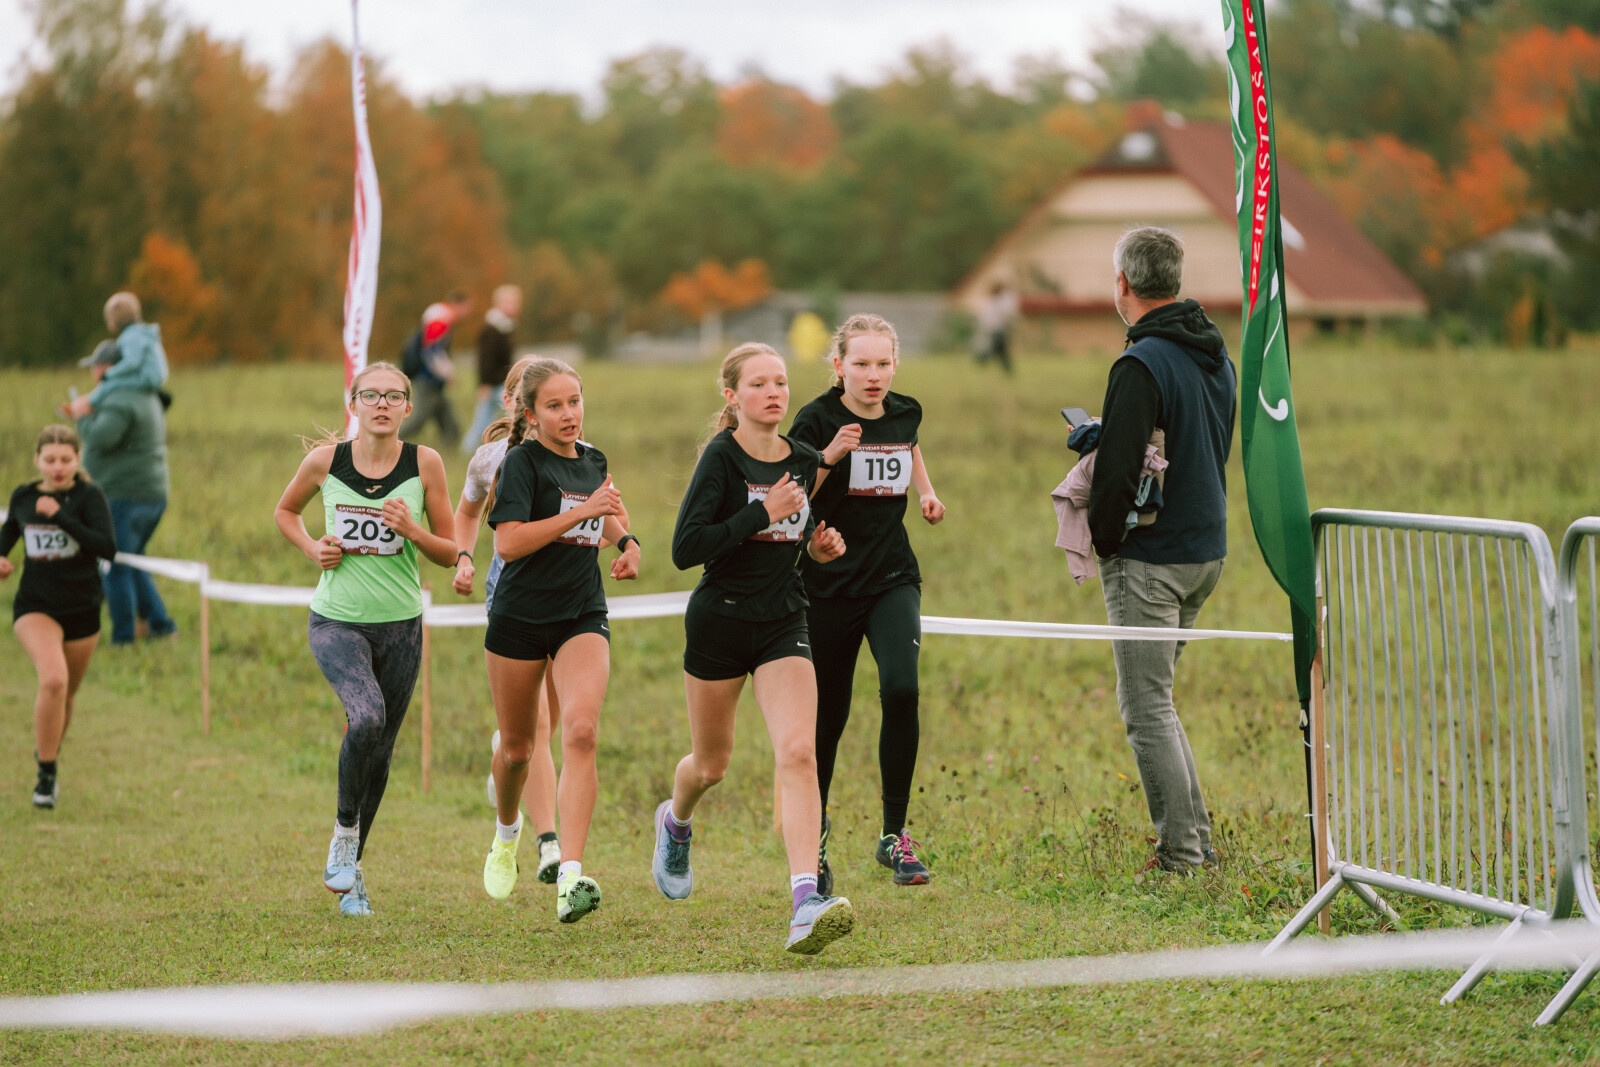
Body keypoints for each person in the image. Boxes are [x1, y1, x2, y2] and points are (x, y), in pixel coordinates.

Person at [655, 342, 855, 955]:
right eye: (760, 384)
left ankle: (804, 902)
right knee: (710, 766)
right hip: (719, 622)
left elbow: (789, 534)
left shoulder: (801, 457)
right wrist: (762, 511)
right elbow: (688, 548)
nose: (774, 393)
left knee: (798, 753)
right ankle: (675, 821)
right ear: (732, 396)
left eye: (781, 382)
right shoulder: (721, 458)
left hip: (783, 622)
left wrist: (814, 549)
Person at [273, 363, 460, 916]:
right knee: (368, 718)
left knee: (380, 754)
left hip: (401, 626)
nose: (382, 404)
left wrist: (412, 530)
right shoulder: (324, 463)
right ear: (353, 403)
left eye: (394, 396)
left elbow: (451, 550)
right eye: (371, 395)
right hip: (337, 620)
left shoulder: (425, 463)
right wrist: (313, 549)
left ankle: (351, 873)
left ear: (407, 407)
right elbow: (285, 512)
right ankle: (343, 834)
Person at [1089, 226, 1236, 874]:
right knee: (1160, 699)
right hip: (1206, 548)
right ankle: (1196, 839)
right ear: (1173, 281)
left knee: (1145, 705)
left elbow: (1119, 471)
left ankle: (1181, 855)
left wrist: (1104, 540)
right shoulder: (1215, 355)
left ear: (1123, 283)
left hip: (1151, 558)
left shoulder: (1140, 362)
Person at [788, 314, 946, 894]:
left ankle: (894, 835)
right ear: (838, 366)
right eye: (861, 364)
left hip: (891, 577)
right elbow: (793, 494)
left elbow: (908, 444)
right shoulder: (817, 418)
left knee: (902, 688)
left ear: (895, 365)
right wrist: (828, 457)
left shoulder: (906, 410)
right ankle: (816, 843)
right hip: (827, 583)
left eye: (882, 364)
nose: (872, 375)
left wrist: (926, 492)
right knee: (828, 717)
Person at [480, 357, 640, 924]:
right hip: (519, 618)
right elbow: (509, 544)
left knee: (582, 730)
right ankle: (506, 834)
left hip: (581, 614)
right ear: (531, 413)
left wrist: (628, 545)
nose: (569, 414)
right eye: (555, 405)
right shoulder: (521, 463)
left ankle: (570, 873)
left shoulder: (593, 460)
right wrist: (587, 516)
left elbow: (605, 516)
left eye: (575, 402)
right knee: (520, 749)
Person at [454, 353, 562, 886]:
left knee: (545, 729)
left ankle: (507, 759)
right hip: (512, 591)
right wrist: (465, 556)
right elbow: (468, 512)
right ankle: (544, 843)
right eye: (527, 393)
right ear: (514, 403)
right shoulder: (491, 457)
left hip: (570, 595)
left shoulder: (575, 454)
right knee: (536, 730)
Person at [1, 426, 117, 808]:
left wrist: (61, 516)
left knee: (66, 693)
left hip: (83, 608)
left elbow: (107, 548)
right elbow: (5, 542)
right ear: (37, 460)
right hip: (36, 605)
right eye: (50, 460)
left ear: (77, 460)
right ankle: (46, 777)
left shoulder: (88, 496)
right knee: (53, 680)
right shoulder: (24, 496)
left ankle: (47, 755)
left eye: (65, 459)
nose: (57, 467)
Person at [74, 327, 177, 645]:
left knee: (115, 566)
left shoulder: (119, 396)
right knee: (132, 560)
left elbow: (102, 437)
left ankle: (123, 638)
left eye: (95, 365)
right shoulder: (143, 391)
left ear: (107, 367)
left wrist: (81, 416)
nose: (92, 372)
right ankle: (161, 626)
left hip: (125, 496)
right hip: (150, 494)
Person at [62, 292, 169, 419]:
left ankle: (85, 406)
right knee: (115, 382)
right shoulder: (141, 332)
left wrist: (110, 373)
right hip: (153, 377)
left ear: (114, 319)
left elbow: (132, 362)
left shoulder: (130, 337)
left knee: (111, 383)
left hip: (147, 378)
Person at [399, 292, 472, 446]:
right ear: (458, 304)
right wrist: (447, 373)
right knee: (419, 419)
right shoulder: (441, 318)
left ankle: (451, 448)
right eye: (467, 307)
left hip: (432, 379)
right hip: (428, 378)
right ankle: (391, 440)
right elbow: (431, 351)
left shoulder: (440, 315)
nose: (468, 312)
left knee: (447, 418)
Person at [462, 285, 522, 453]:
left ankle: (474, 449)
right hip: (493, 383)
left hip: (503, 382)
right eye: (510, 302)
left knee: (491, 418)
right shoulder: (491, 328)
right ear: (499, 304)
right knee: (484, 419)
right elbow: (485, 359)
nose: (515, 306)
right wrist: (484, 384)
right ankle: (468, 450)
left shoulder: (506, 326)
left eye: (516, 302)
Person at [975, 281, 1018, 374]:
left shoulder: (990, 301)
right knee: (998, 350)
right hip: (996, 329)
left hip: (992, 328)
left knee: (996, 349)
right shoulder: (996, 302)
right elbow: (1006, 314)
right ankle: (982, 360)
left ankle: (981, 361)